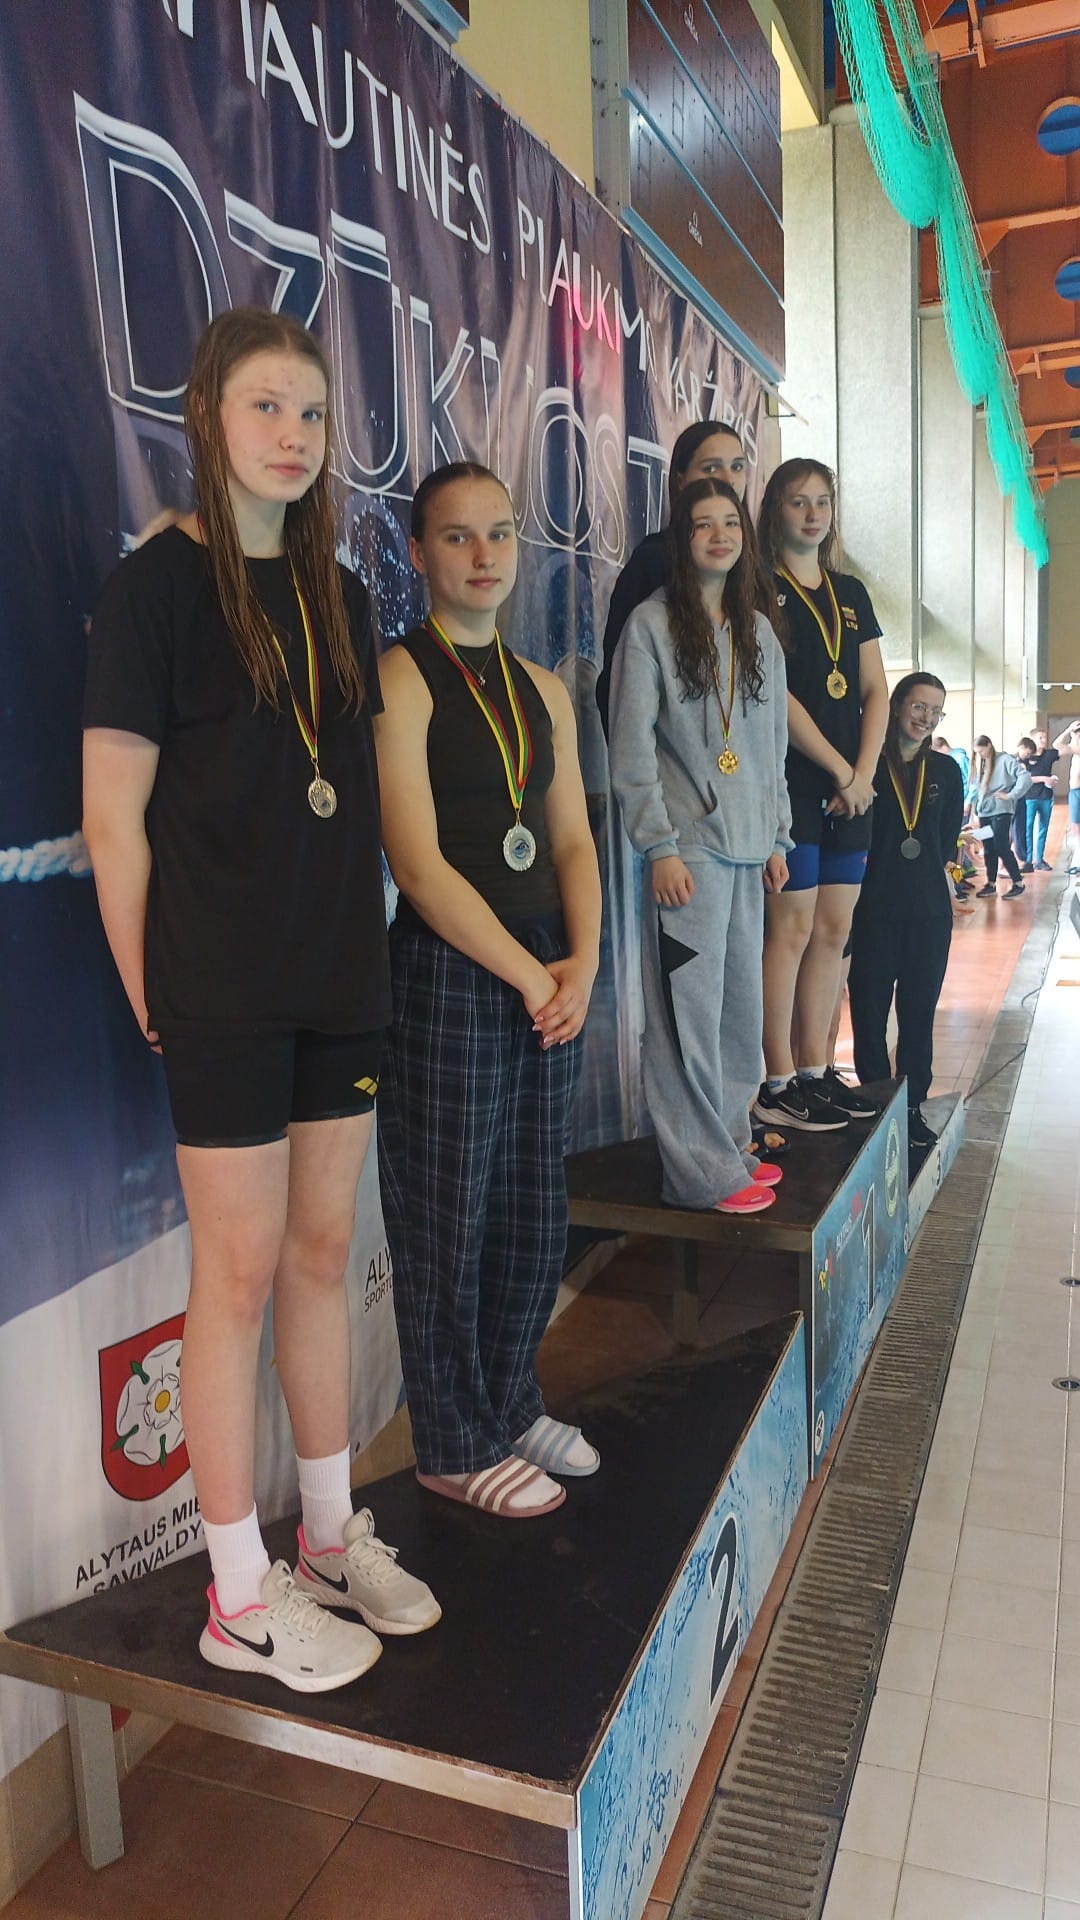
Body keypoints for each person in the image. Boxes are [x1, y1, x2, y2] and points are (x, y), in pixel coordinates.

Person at [82, 310, 441, 1691]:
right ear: (208, 417)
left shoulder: (341, 595)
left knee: (321, 1251)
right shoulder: (155, 588)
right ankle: (237, 1593)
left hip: (338, 972)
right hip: (219, 986)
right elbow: (114, 820)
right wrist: (153, 989)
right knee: (232, 1274)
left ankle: (332, 1535)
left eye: (311, 413)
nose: (293, 436)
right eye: (265, 408)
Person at [375, 462, 602, 1520]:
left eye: (500, 534)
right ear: (419, 553)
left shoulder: (542, 690)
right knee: (447, 1217)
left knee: (529, 1207)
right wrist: (528, 975)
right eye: (458, 537)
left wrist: (582, 963)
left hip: (547, 967)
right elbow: (418, 868)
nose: (483, 556)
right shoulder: (403, 677)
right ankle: (452, 1439)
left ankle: (511, 1402)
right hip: (453, 969)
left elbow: (572, 841)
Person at [608, 479, 791, 1215]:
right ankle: (698, 1175)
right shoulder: (650, 626)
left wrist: (777, 835)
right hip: (689, 854)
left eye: (730, 524)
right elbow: (630, 749)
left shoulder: (759, 632)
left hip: (749, 851)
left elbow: (772, 749)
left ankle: (731, 1146)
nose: (720, 536)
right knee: (686, 1016)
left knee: (738, 1016)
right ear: (680, 540)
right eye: (702, 525)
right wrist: (659, 848)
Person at [752, 458, 889, 1134]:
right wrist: (840, 772)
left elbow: (875, 690)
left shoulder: (851, 592)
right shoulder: (758, 588)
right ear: (774, 510)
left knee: (834, 931)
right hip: (793, 786)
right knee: (791, 930)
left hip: (851, 788)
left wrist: (862, 775)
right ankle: (775, 1079)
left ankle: (815, 1068)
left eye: (823, 502)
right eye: (798, 501)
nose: (812, 514)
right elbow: (774, 696)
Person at [848, 675, 965, 1153]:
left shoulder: (946, 771)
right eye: (919, 706)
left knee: (918, 1014)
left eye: (936, 711)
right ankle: (877, 1101)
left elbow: (946, 839)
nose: (926, 718)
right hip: (873, 910)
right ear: (896, 705)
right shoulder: (868, 764)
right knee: (869, 1012)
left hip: (928, 914)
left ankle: (913, 1105)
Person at [595, 420, 750, 737]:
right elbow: (619, 687)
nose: (728, 479)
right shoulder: (653, 562)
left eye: (737, 467)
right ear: (680, 479)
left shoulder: (752, 565)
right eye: (711, 468)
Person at [971, 736, 1031, 898]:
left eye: (981, 751)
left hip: (1001, 811)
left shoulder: (1005, 760)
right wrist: (977, 810)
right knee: (988, 848)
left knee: (1001, 846)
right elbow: (980, 789)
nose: (980, 755)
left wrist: (1011, 795)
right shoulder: (983, 764)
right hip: (984, 812)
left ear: (989, 745)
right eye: (977, 753)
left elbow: (1025, 777)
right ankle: (991, 884)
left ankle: (1018, 882)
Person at [1022, 727, 1058, 871]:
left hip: (1045, 797)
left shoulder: (1048, 755)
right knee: (1028, 828)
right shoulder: (1026, 757)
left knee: (1043, 828)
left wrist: (1069, 730)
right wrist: (1044, 778)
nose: (1043, 740)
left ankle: (1039, 859)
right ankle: (1028, 860)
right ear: (1033, 740)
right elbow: (1025, 778)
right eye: (1040, 738)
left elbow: (1062, 747)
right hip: (1029, 797)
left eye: (1045, 737)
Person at [1052, 719, 1080, 874]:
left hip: (1078, 791)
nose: (1078, 735)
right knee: (1076, 828)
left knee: (1077, 829)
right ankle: (1078, 861)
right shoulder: (1073, 747)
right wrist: (1068, 730)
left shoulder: (1076, 748)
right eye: (1077, 733)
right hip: (1075, 792)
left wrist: (1072, 733)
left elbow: (1060, 746)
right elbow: (1056, 745)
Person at [1011, 736, 1036, 865]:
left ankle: (1022, 857)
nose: (1028, 756)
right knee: (1014, 829)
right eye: (1027, 753)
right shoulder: (1011, 761)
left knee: (1019, 828)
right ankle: (1021, 857)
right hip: (1012, 799)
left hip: (1020, 798)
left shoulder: (1026, 762)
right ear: (1021, 747)